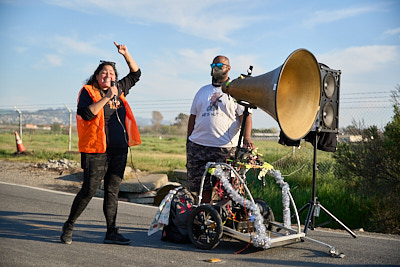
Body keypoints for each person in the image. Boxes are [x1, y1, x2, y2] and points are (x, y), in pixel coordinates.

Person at [60, 41, 141, 245]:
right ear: (97, 76)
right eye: (104, 73)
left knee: (113, 191)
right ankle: (69, 225)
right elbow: (87, 113)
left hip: (119, 149)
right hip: (96, 150)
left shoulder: (119, 88)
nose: (108, 76)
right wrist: (107, 96)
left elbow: (135, 74)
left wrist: (126, 54)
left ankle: (111, 232)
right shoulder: (88, 92)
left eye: (112, 73)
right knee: (88, 190)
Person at [186, 55, 255, 203]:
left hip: (224, 149)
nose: (216, 68)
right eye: (213, 65)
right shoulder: (202, 91)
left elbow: (246, 116)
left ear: (228, 68)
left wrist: (247, 138)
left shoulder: (236, 91)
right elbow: (192, 117)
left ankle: (222, 219)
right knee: (201, 187)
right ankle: (203, 216)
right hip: (198, 147)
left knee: (226, 189)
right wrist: (189, 140)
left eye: (220, 65)